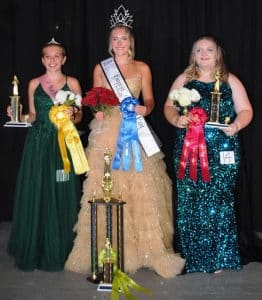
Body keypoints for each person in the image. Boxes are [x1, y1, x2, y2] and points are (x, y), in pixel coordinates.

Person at [65, 5, 185, 278]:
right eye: (115, 39)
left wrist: (146, 108)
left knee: (142, 184)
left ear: (131, 42)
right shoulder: (101, 67)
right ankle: (109, 247)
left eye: (124, 39)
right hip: (107, 128)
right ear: (110, 42)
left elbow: (152, 100)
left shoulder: (142, 67)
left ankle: (146, 249)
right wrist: (96, 109)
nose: (120, 43)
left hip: (134, 127)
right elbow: (96, 96)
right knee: (107, 184)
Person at [164, 35, 253, 273]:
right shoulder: (184, 79)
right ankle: (192, 256)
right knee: (190, 200)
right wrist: (176, 118)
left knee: (220, 201)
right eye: (199, 50)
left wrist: (235, 126)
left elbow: (245, 110)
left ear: (218, 54)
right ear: (193, 55)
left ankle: (220, 257)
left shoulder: (230, 80)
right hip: (188, 149)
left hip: (222, 149)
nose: (204, 54)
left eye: (209, 50)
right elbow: (169, 106)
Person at [7, 39, 83, 271]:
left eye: (56, 56)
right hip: (39, 144)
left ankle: (63, 246)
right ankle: (37, 244)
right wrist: (17, 115)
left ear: (64, 59)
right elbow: (33, 115)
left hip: (63, 143)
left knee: (62, 188)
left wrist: (72, 114)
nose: (52, 60)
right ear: (42, 60)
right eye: (47, 56)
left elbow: (80, 117)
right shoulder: (33, 84)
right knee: (38, 190)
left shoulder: (72, 83)